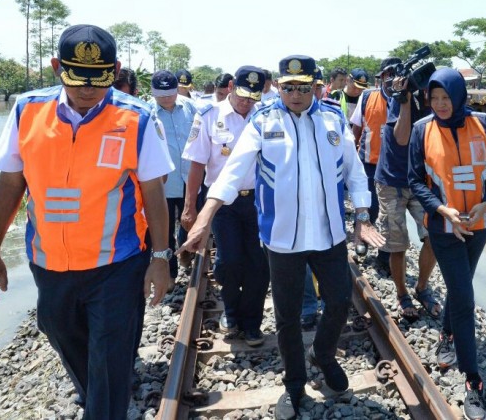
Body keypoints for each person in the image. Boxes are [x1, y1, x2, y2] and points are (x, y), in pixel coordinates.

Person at [0, 24, 174, 419]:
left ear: (115, 70)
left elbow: (154, 191)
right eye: (77, 78)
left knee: (110, 356)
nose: (88, 90)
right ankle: (102, 395)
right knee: (61, 334)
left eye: (99, 79)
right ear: (55, 67)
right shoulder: (27, 111)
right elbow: (10, 182)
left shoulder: (135, 117)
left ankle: (107, 402)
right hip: (50, 264)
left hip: (116, 266)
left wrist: (160, 257)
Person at [179, 55, 385, 420]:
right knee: (288, 317)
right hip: (282, 239)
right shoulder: (262, 121)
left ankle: (322, 353)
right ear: (279, 86)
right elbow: (231, 172)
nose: (295, 94)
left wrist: (363, 216)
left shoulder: (332, 120)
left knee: (338, 302)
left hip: (330, 235)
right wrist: (205, 215)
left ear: (315, 86)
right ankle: (294, 385)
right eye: (288, 87)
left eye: (302, 87)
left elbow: (354, 174)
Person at [408, 68, 486, 420]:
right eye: (433, 99)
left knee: (459, 285)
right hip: (443, 228)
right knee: (464, 298)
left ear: (458, 95)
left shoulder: (482, 122)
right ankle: (473, 380)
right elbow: (415, 180)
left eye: (445, 98)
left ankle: (446, 336)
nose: (439, 104)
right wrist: (441, 209)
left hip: (479, 225)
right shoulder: (423, 129)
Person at [181, 66, 269, 346]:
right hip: (223, 203)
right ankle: (231, 313)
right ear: (231, 87)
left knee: (258, 263)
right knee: (229, 261)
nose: (247, 102)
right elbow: (197, 163)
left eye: (252, 97)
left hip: (259, 201)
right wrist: (189, 206)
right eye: (243, 95)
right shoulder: (208, 116)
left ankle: (252, 322)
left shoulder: (266, 116)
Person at [374, 74, 441, 321]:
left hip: (419, 181)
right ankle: (402, 294)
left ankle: (422, 287)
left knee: (434, 235)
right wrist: (404, 100)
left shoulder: (435, 102)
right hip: (392, 181)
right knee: (398, 243)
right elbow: (402, 138)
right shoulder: (400, 99)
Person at [149, 70, 198, 285]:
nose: (167, 98)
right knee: (164, 230)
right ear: (153, 92)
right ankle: (169, 274)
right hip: (163, 184)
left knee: (190, 222)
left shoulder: (189, 107)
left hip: (190, 180)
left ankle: (187, 254)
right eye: (162, 95)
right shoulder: (147, 113)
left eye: (170, 93)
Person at [348, 57, 397, 262]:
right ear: (382, 77)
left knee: (390, 213)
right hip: (368, 162)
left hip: (395, 167)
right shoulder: (368, 97)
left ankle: (385, 256)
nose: (392, 79)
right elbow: (357, 128)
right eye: (388, 75)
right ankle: (361, 241)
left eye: (396, 74)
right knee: (369, 207)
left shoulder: (409, 100)